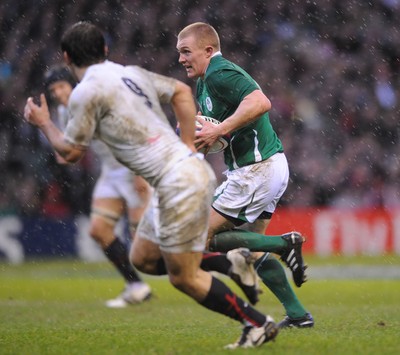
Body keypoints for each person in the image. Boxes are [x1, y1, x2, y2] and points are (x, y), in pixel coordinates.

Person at [24, 21, 279, 349]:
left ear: (66, 56)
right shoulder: (129, 72)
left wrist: (44, 123)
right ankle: (226, 262)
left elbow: (71, 153)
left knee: (183, 277)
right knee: (142, 258)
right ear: (104, 50)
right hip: (176, 176)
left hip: (178, 183)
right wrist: (187, 144)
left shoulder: (84, 93)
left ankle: (257, 324)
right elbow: (180, 92)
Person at [175, 22, 314, 328]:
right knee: (249, 250)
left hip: (256, 170)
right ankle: (298, 316)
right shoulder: (203, 83)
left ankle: (285, 244)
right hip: (267, 166)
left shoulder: (219, 72)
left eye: (186, 52)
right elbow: (217, 132)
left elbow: (260, 102)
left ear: (208, 50)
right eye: (179, 53)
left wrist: (218, 129)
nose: (181, 59)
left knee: (199, 234)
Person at [44, 65, 152, 308]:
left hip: (132, 167)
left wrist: (139, 172)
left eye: (61, 86)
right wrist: (45, 125)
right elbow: (70, 153)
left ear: (72, 83)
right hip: (110, 173)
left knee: (145, 248)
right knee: (99, 231)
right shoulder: (64, 112)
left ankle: (215, 262)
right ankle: (136, 286)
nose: (58, 94)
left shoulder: (93, 98)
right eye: (53, 91)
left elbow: (131, 129)